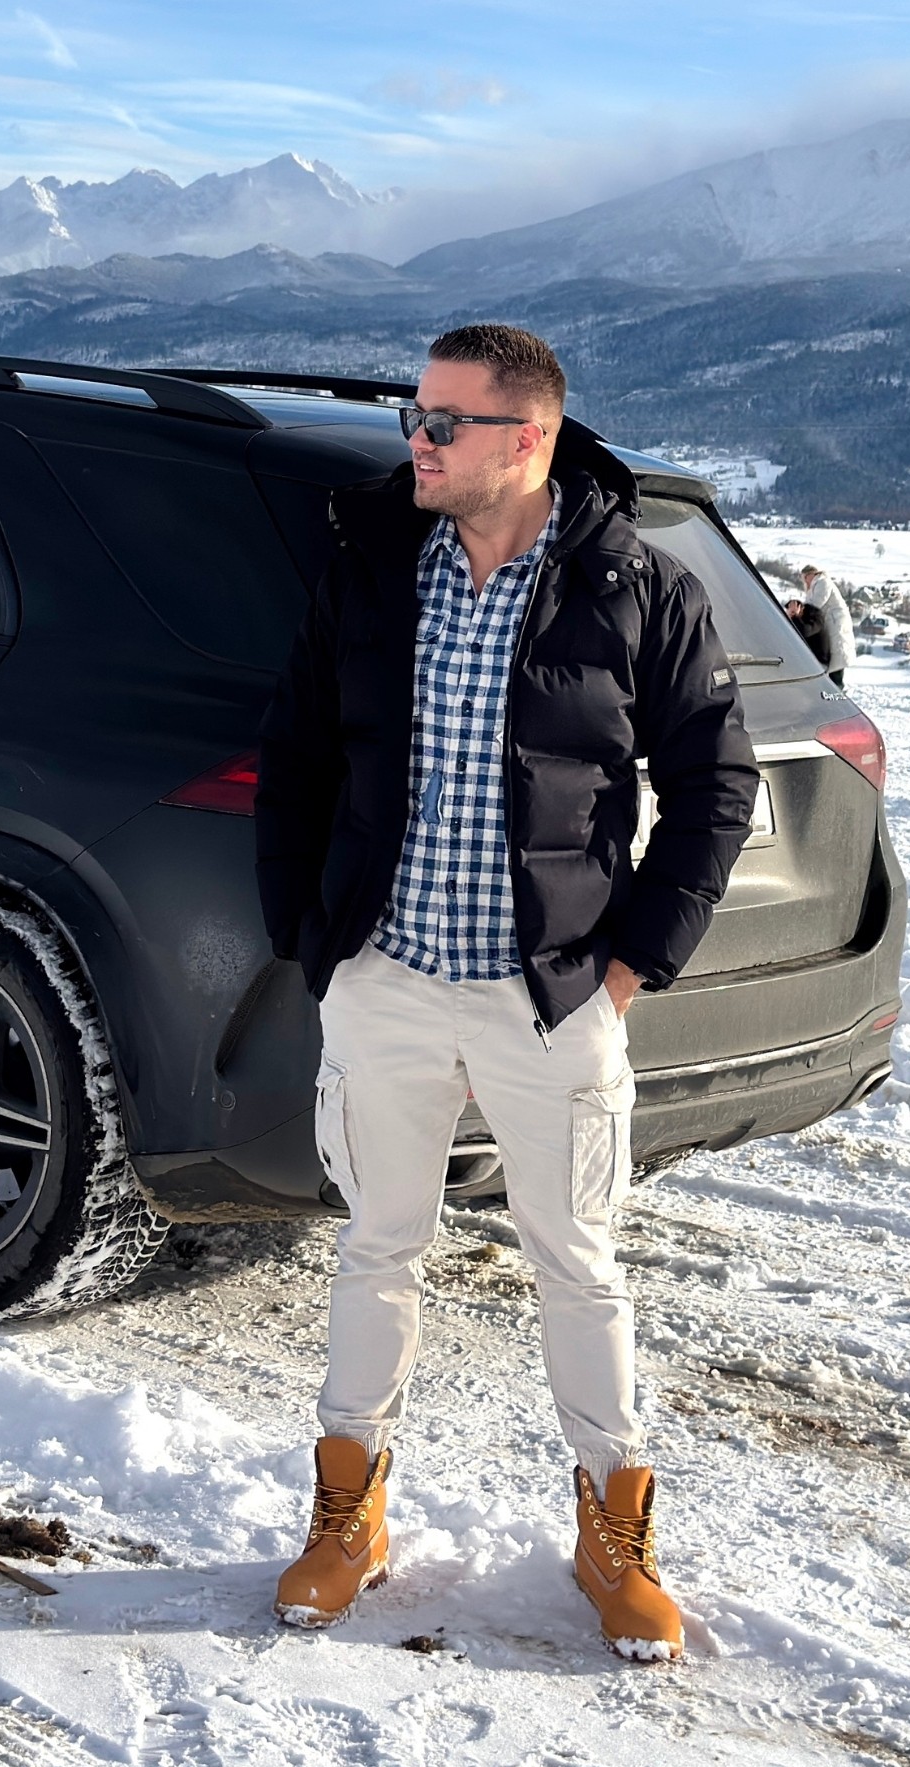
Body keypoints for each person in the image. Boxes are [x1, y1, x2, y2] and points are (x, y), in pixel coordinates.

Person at [255, 323, 759, 1664]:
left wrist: (631, 965)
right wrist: (316, 941)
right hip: (386, 981)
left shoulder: (634, 587)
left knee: (577, 1266)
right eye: (412, 417)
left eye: (440, 425)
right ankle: (348, 1514)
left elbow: (716, 785)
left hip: (552, 998)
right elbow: (295, 750)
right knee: (375, 1249)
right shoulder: (370, 568)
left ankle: (612, 1537)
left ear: (523, 439)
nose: (411, 443)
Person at [800, 563, 853, 680]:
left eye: (805, 577)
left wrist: (800, 613)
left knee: (838, 653)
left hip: (836, 623)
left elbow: (816, 604)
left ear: (811, 574)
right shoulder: (814, 587)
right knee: (834, 655)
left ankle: (838, 686)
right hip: (830, 624)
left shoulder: (822, 582)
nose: (804, 581)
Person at [785, 596, 832, 668]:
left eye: (793, 612)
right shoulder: (797, 619)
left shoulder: (815, 617)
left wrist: (795, 616)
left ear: (801, 608)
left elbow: (805, 632)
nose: (791, 616)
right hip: (806, 658)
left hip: (819, 662)